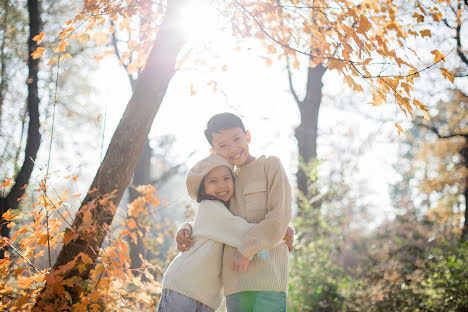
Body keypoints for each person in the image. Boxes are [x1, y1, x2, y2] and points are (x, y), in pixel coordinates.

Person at [176, 113, 293, 312]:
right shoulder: (224, 181)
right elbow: (211, 216)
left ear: (247, 136)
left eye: (237, 139)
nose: (232, 149)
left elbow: (279, 216)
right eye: (223, 145)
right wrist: (185, 228)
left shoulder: (270, 165)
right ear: (214, 151)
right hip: (234, 283)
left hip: (269, 280)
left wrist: (247, 249)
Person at [159, 153, 259, 311]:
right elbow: (246, 233)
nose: (222, 185)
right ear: (202, 188)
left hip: (206, 298)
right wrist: (280, 232)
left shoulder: (221, 211)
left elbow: (201, 226)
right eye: (213, 181)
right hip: (183, 288)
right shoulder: (211, 207)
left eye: (227, 178)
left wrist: (186, 226)